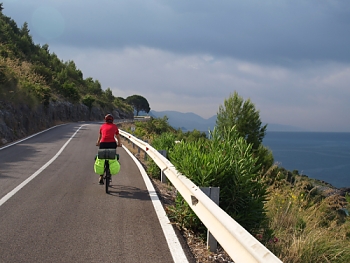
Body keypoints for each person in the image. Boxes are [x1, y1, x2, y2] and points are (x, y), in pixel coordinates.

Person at [96, 113, 122, 184]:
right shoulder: (114, 126)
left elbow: (100, 136)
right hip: (112, 144)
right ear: (112, 120)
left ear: (105, 120)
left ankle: (101, 176)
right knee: (112, 158)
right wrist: (119, 144)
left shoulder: (102, 126)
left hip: (103, 144)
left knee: (101, 159)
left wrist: (98, 143)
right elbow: (118, 137)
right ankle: (110, 172)